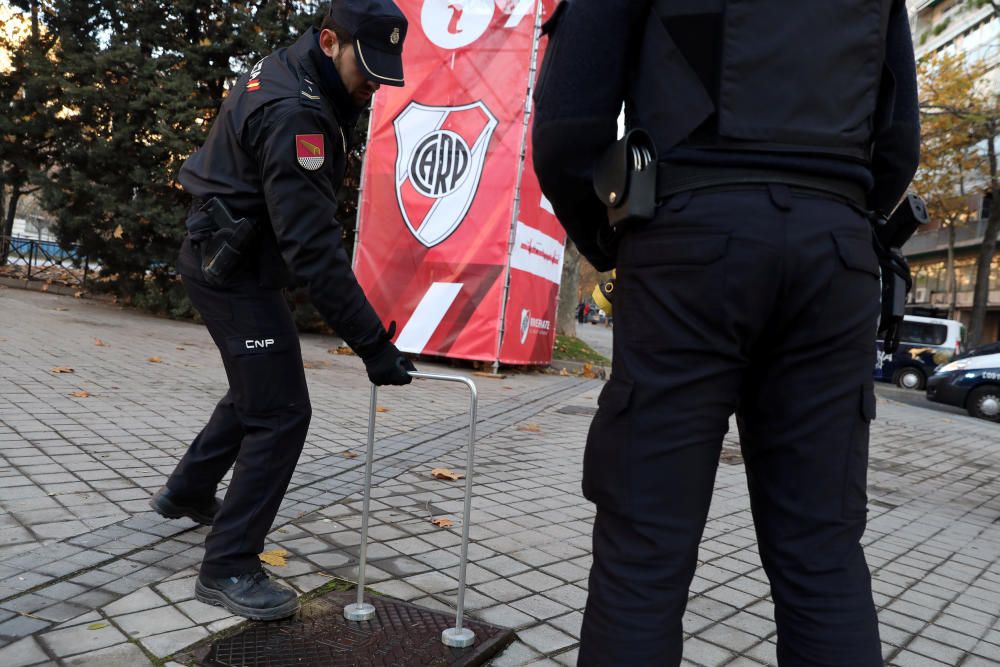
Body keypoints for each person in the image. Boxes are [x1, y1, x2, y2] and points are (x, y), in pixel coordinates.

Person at [533, 1, 918, 665]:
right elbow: (899, 140)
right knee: (821, 557)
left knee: (644, 555)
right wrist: (834, 217)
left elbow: (568, 129)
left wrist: (612, 241)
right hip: (835, 251)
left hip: (689, 241)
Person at [149, 0, 415, 621]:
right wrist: (374, 346)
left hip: (231, 257)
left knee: (261, 387)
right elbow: (313, 252)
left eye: (384, 70)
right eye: (366, 67)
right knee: (282, 413)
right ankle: (228, 567)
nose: (374, 83)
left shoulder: (294, 71)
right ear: (329, 41)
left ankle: (186, 491)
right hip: (232, 273)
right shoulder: (297, 113)